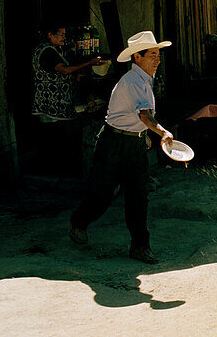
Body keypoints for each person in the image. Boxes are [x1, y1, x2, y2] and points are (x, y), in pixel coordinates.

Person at [69, 31, 173, 264]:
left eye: (158, 54)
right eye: (153, 54)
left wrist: (145, 136)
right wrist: (163, 133)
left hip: (133, 141)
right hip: (114, 143)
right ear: (138, 57)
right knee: (103, 193)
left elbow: (142, 119)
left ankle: (140, 246)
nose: (157, 59)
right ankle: (79, 221)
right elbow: (145, 115)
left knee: (138, 195)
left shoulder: (146, 78)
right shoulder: (132, 81)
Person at [32, 23, 103, 171]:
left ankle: (58, 167)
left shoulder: (55, 51)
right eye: (60, 34)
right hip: (51, 103)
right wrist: (89, 63)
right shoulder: (47, 52)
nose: (64, 37)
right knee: (55, 138)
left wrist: (76, 76)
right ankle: (56, 169)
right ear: (50, 35)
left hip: (58, 102)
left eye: (65, 34)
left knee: (58, 137)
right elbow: (63, 70)